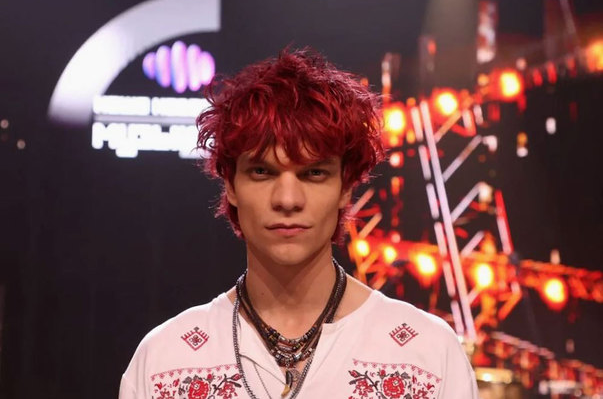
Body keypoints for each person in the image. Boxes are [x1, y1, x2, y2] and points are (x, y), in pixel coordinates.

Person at [119, 48, 478, 399]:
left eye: (314, 173)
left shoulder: (428, 356)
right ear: (230, 185)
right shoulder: (164, 361)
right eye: (262, 172)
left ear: (346, 187)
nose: (288, 199)